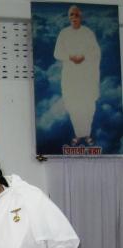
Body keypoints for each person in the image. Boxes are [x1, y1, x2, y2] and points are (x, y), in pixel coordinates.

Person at [54, 5, 101, 146]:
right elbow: (57, 53)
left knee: (88, 106)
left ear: (81, 17)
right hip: (71, 77)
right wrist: (70, 57)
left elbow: (96, 52)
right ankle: (78, 134)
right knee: (73, 105)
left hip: (86, 77)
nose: (74, 17)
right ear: (69, 17)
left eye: (76, 15)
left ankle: (87, 134)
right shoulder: (64, 33)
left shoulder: (88, 33)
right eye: (71, 15)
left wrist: (84, 57)